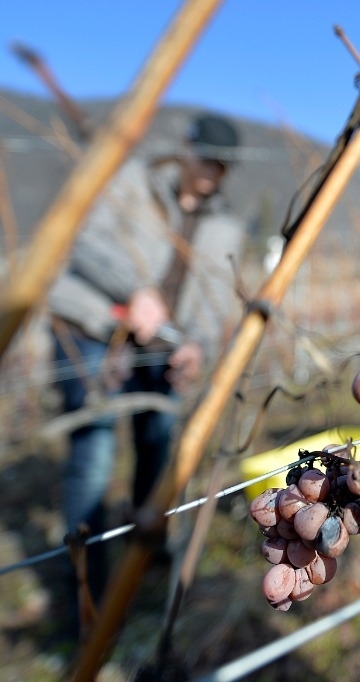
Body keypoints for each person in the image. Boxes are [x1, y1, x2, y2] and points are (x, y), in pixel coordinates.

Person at [48, 112, 245, 602]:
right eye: (204, 159)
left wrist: (199, 343)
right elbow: (85, 243)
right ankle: (83, 591)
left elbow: (217, 297)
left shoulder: (224, 227)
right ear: (185, 148)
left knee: (157, 446)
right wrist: (135, 291)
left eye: (220, 165)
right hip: (95, 329)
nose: (209, 171)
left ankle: (146, 550)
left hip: (161, 350)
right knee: (94, 458)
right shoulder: (133, 182)